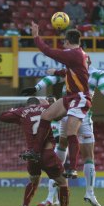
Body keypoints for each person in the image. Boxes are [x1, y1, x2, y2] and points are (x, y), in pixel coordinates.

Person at [22, 63, 104, 206]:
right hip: (83, 114)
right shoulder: (97, 73)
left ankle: (51, 195)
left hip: (66, 113)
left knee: (61, 147)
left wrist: (36, 88)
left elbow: (51, 79)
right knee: (89, 156)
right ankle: (89, 192)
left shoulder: (70, 72)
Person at [20, 22, 91, 179]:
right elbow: (75, 71)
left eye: (64, 42)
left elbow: (47, 51)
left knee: (71, 133)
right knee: (46, 115)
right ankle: (35, 151)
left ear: (67, 42)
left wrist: (36, 36)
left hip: (80, 98)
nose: (62, 44)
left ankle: (72, 168)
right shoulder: (81, 54)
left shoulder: (73, 54)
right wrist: (58, 72)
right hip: (71, 96)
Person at [0, 97, 76, 206]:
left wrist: (14, 110)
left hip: (32, 156)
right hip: (47, 153)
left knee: (34, 182)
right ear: (39, 103)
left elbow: (2, 116)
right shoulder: (46, 108)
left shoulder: (22, 112)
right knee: (63, 182)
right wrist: (49, 104)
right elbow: (64, 110)